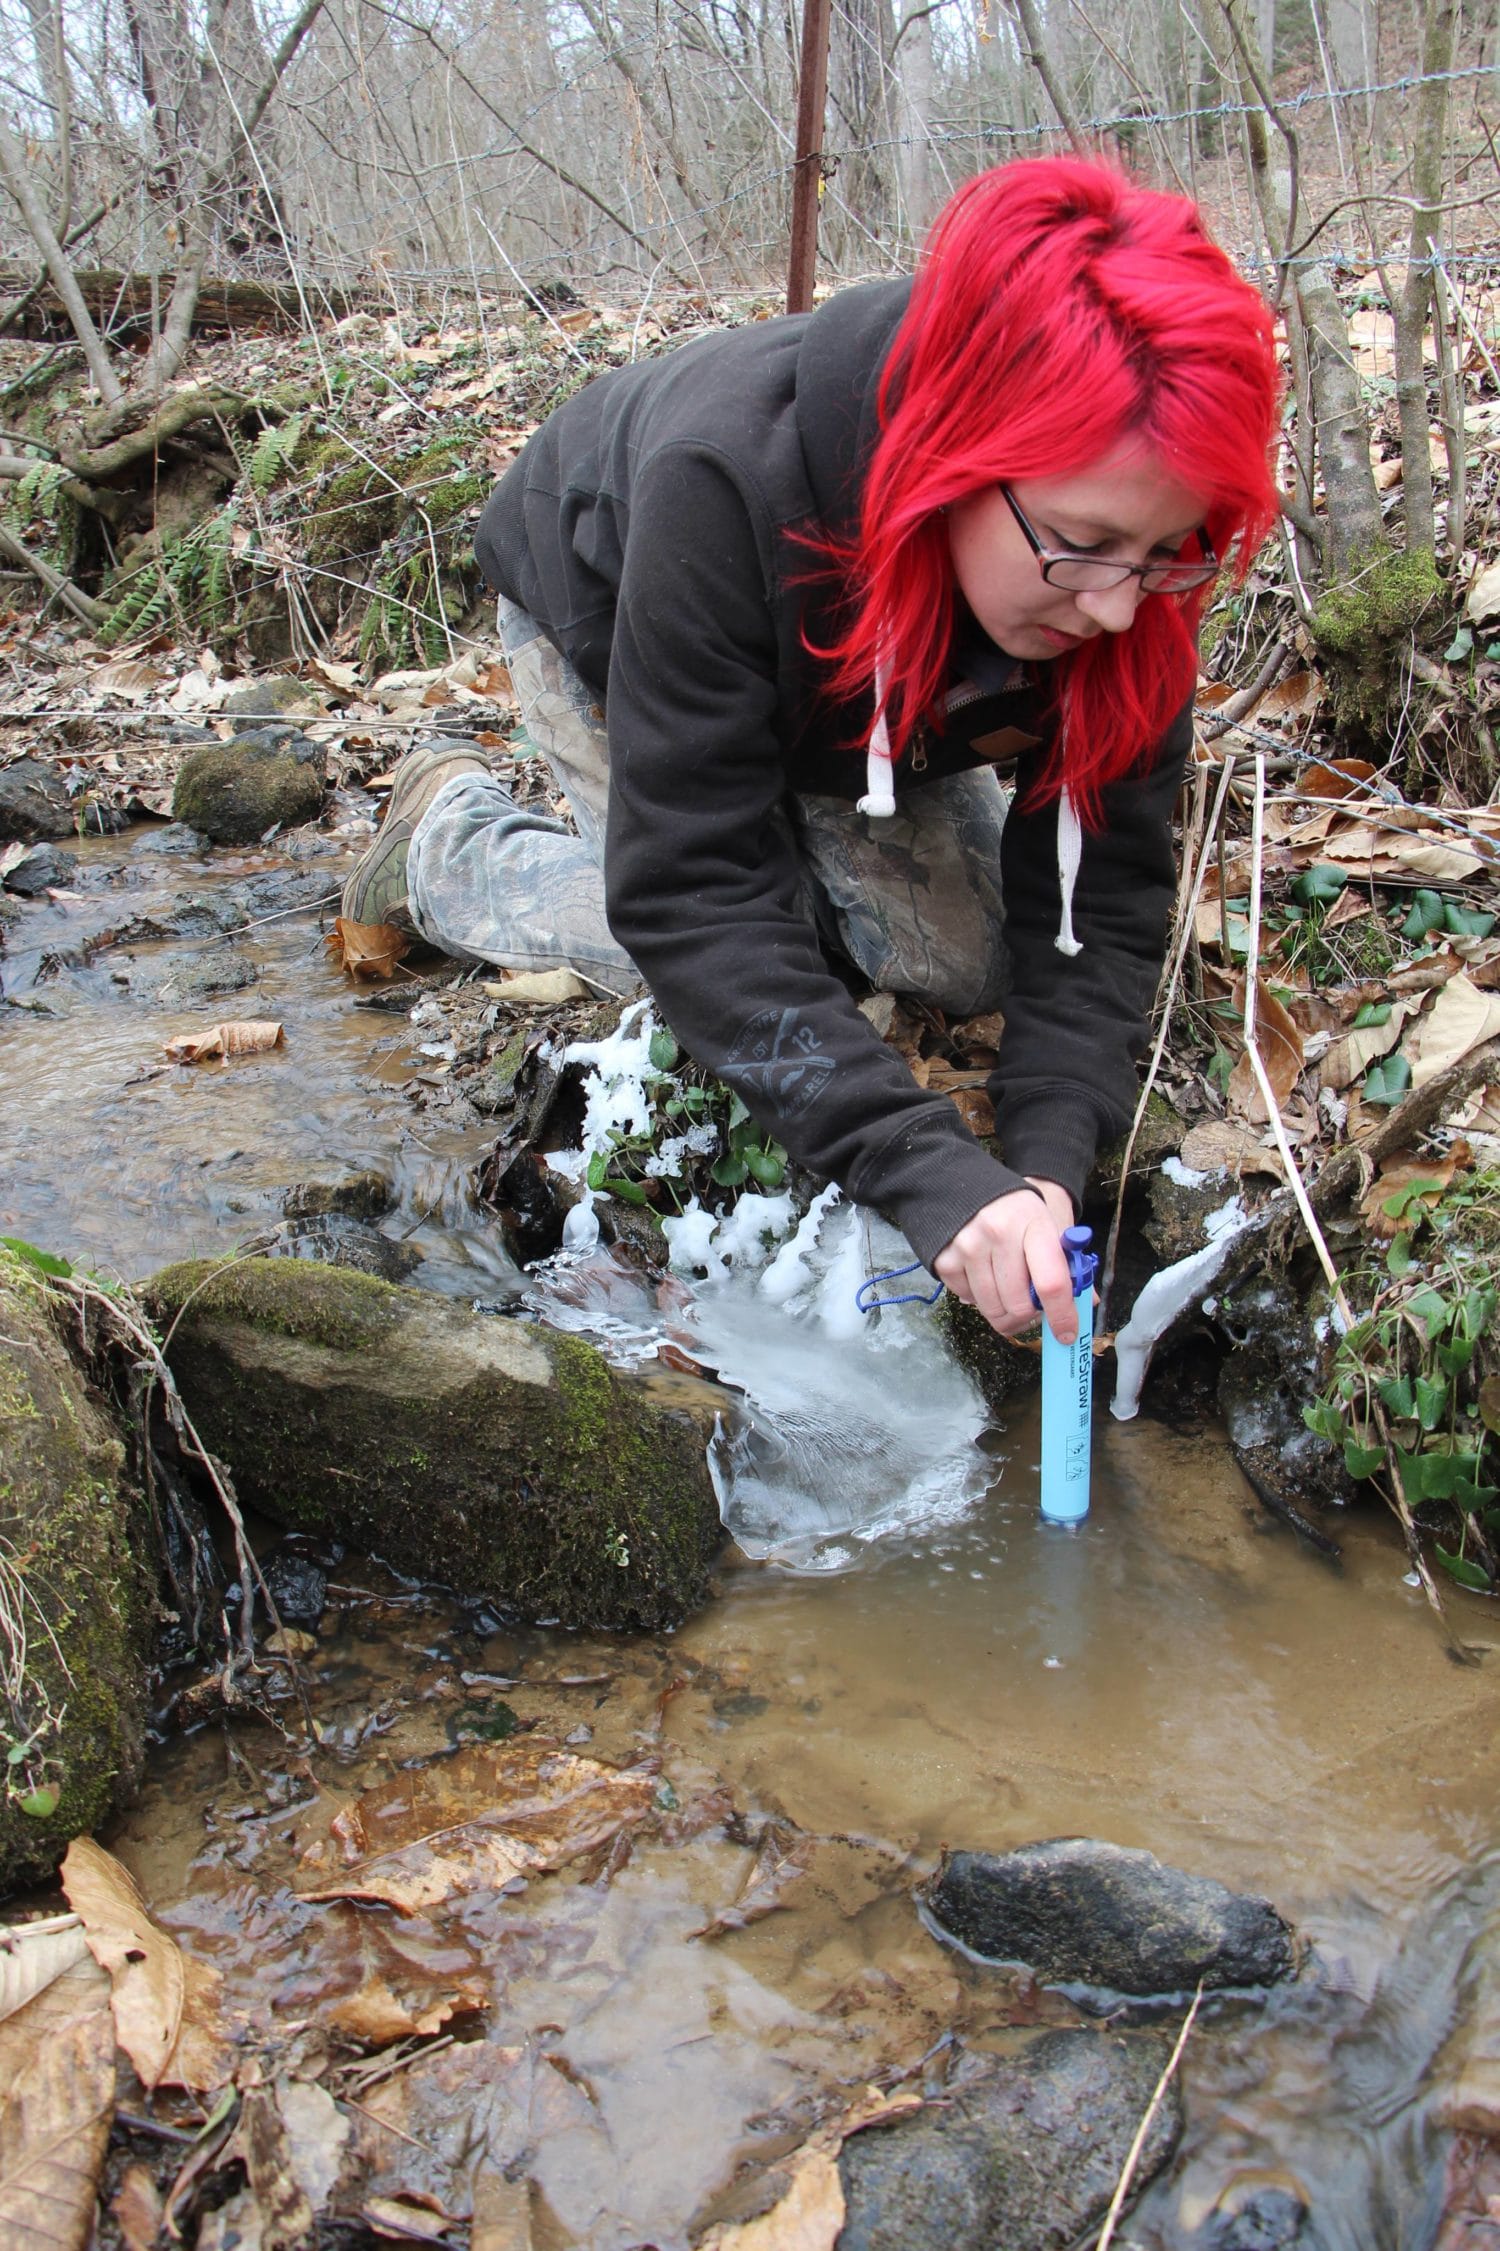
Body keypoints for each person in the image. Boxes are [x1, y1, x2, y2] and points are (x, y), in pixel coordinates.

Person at [342, 156, 1279, 1347]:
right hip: (608, 599)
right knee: (740, 968)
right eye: (1084, 547)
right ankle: (446, 843)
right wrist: (934, 1181)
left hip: (887, 682)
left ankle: (813, 821)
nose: (1114, 607)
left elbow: (1105, 886)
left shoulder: (1130, 549)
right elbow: (693, 899)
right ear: (956, 456)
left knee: (961, 962)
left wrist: (1048, 1167)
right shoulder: (721, 479)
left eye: (1166, 553)